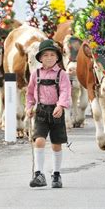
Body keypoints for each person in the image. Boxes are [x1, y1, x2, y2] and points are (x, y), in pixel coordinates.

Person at [26, 39, 71, 188]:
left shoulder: (62, 74)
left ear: (57, 57)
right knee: (39, 140)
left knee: (56, 144)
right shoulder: (35, 74)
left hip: (56, 112)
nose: (49, 58)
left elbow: (65, 91)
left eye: (52, 55)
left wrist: (61, 105)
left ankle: (56, 175)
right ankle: (39, 174)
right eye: (45, 55)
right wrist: (29, 107)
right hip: (40, 112)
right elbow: (30, 93)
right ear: (40, 58)